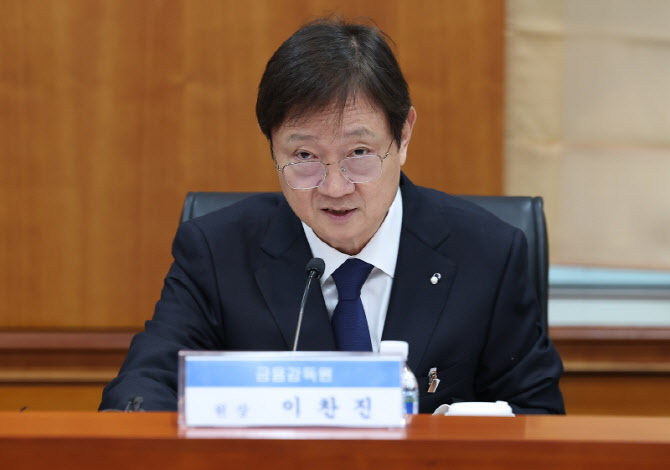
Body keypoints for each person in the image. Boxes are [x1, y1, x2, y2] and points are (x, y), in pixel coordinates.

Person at [100, 17, 564, 414]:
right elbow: (140, 391)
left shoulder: (488, 253)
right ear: (273, 149)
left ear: (403, 136)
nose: (335, 187)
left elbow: (537, 416)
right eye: (304, 156)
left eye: (359, 152)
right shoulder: (217, 253)